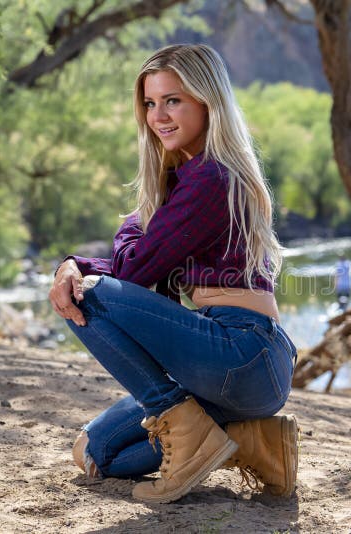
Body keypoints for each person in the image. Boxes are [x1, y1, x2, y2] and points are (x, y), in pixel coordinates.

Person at [48, 44, 298, 504]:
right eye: (149, 103)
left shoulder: (211, 176)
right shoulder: (195, 176)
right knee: (97, 452)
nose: (158, 116)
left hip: (240, 350)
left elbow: (134, 272)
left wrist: (102, 246)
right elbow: (154, 282)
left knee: (90, 293)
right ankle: (254, 441)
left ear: (208, 101)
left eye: (173, 100)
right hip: (240, 369)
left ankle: (183, 423)